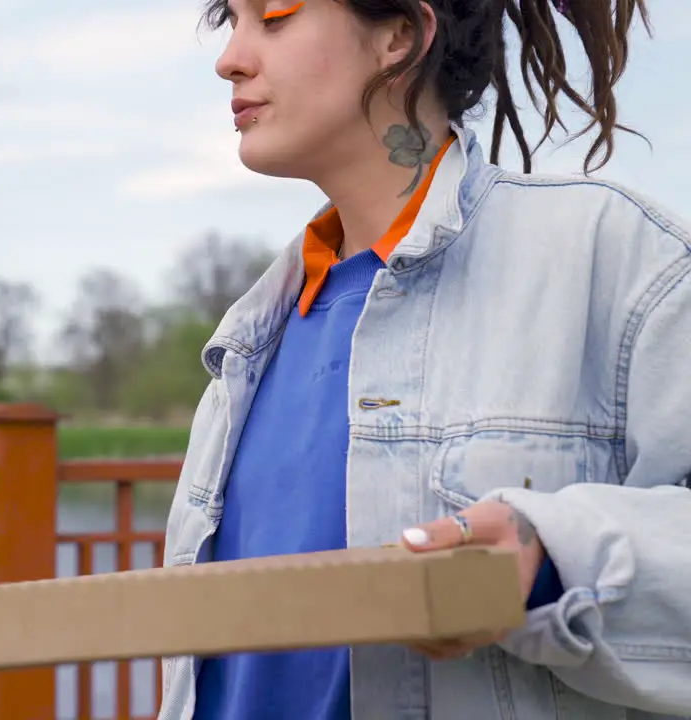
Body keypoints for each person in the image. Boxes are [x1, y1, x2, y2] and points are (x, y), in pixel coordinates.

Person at [157, 0, 691, 718]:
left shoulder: (618, 259)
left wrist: (552, 562)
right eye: (231, 24)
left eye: (274, 16)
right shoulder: (252, 336)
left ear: (400, 35)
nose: (231, 59)